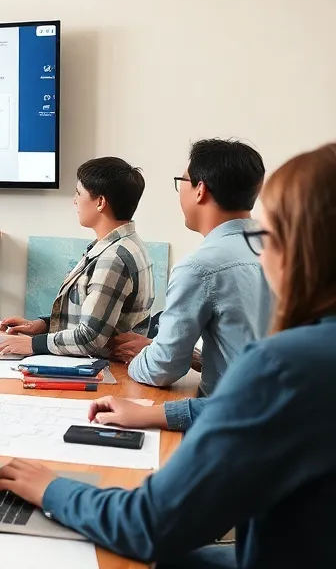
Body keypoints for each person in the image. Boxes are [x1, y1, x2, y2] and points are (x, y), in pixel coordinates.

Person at [0, 143, 336, 569]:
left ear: (301, 246)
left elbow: (147, 524)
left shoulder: (288, 363)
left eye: (271, 231)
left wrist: (51, 488)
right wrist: (163, 417)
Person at [111, 139, 271, 394]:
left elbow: (163, 369)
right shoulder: (283, 250)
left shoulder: (199, 267)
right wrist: (192, 356)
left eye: (182, 181)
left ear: (200, 189)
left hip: (226, 415)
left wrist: (137, 360)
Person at [0, 157, 154, 357]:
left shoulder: (113, 258)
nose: (75, 200)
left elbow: (89, 338)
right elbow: (95, 318)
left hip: (99, 370)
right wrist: (42, 325)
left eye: (79, 193)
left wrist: (34, 345)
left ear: (100, 202)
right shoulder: (125, 245)